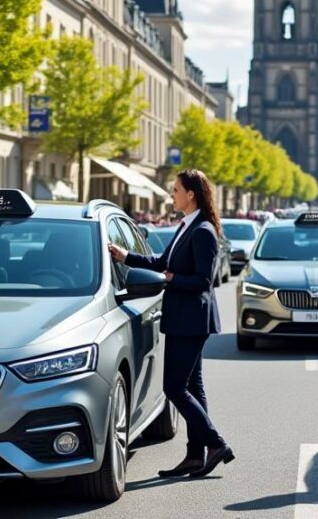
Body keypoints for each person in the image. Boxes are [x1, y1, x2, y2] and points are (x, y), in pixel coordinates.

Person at [108, 169, 232, 479]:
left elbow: (203, 280)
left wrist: (171, 279)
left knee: (173, 388)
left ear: (190, 194)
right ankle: (195, 455)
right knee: (193, 385)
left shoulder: (203, 229)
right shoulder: (187, 225)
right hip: (184, 318)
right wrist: (126, 257)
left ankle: (215, 444)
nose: (171, 194)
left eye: (175, 190)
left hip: (191, 320)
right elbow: (162, 261)